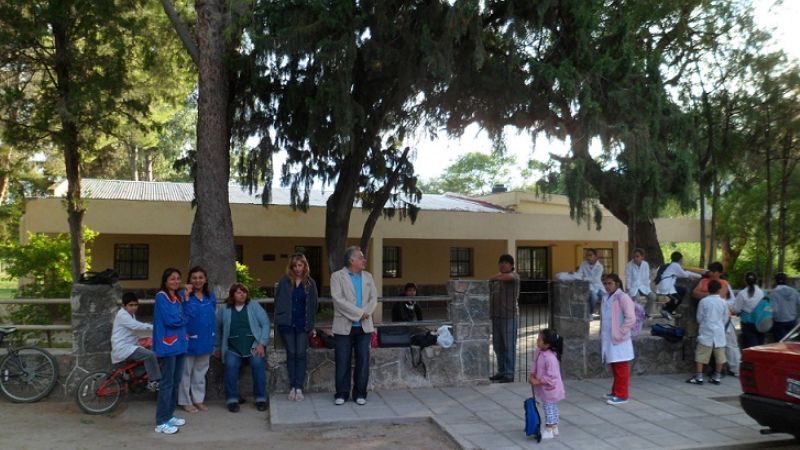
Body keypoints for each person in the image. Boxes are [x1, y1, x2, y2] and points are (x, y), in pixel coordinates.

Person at [331, 246, 378, 405]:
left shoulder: (368, 277)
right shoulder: (337, 276)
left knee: (363, 361)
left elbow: (374, 298)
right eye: (361, 257)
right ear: (352, 260)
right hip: (344, 326)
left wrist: (366, 313)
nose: (364, 260)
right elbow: (338, 301)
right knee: (342, 360)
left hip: (364, 326)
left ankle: (360, 393)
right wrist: (359, 313)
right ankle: (342, 393)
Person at [215, 283, 270, 413]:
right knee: (230, 365)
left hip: (253, 346)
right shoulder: (224, 310)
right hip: (232, 347)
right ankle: (232, 400)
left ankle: (260, 398)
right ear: (232, 295)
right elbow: (217, 329)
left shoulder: (254, 306)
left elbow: (265, 323)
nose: (242, 294)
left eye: (244, 292)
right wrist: (217, 346)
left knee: (257, 364)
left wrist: (261, 344)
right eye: (239, 292)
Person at [275, 253, 319, 402]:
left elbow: (314, 305)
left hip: (303, 324)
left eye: (300, 265)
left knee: (301, 354)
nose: (297, 268)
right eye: (295, 266)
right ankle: (292, 387)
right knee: (291, 353)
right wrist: (280, 318)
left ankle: (299, 387)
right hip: (287, 323)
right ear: (291, 267)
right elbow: (278, 301)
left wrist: (312, 325)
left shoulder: (310, 283)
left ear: (305, 266)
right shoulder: (284, 281)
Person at [153, 268, 188, 435]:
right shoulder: (161, 297)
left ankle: (169, 414)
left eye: (178, 278)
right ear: (165, 281)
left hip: (179, 344)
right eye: (172, 279)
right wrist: (185, 319)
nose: (175, 281)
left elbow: (180, 316)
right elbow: (171, 320)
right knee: (167, 383)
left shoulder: (178, 297)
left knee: (176, 381)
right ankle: (161, 421)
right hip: (168, 345)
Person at [178, 266, 216, 413]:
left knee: (201, 371)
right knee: (185, 372)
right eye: (194, 278)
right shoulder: (183, 295)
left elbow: (212, 315)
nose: (198, 280)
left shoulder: (210, 296)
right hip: (189, 339)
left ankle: (198, 400)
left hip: (206, 339)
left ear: (205, 279)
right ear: (189, 280)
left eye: (201, 277)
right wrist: (187, 297)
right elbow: (183, 314)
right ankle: (184, 401)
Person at [692, 262, 739, 376]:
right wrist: (710, 294)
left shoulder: (724, 283)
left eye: (714, 271)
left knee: (721, 347)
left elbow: (721, 296)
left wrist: (705, 294)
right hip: (707, 322)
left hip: (720, 322)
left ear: (720, 273)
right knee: (706, 347)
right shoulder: (703, 281)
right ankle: (712, 371)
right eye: (710, 271)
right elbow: (695, 293)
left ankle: (724, 370)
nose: (712, 274)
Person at [111, 292, 161, 392]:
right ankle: (153, 381)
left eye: (135, 305)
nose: (134, 307)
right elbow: (136, 326)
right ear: (124, 306)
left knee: (154, 349)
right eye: (131, 305)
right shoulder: (122, 315)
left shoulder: (130, 314)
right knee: (150, 355)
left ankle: (133, 373)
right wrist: (156, 328)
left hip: (130, 345)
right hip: (123, 347)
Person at [600, 274, 635, 405]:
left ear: (617, 284)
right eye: (605, 284)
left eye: (610, 283)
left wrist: (621, 332)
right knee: (615, 365)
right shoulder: (606, 297)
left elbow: (631, 318)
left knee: (621, 366)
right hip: (609, 337)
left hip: (619, 338)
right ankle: (615, 391)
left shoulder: (623, 298)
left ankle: (622, 395)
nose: (607, 286)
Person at [687, 280, 727, 385]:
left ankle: (699, 376)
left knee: (701, 354)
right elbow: (725, 318)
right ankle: (717, 376)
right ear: (719, 290)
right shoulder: (723, 302)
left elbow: (699, 317)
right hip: (719, 332)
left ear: (708, 289)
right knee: (720, 355)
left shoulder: (704, 301)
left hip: (706, 330)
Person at [489, 253, 521, 383]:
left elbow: (504, 277)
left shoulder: (513, 276)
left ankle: (509, 374)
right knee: (497, 346)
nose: (502, 265)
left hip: (509, 316)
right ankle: (501, 371)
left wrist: (492, 277)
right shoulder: (498, 280)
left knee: (509, 346)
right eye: (500, 262)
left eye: (505, 262)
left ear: (511, 265)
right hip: (496, 316)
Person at [528, 328, 565, 440]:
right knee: (551, 406)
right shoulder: (539, 351)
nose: (537, 340)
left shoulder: (550, 358)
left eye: (539, 339)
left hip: (551, 388)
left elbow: (551, 377)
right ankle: (554, 427)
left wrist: (538, 381)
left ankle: (549, 429)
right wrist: (532, 374)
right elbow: (534, 363)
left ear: (547, 344)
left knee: (548, 407)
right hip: (546, 388)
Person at [656, 251, 702, 320]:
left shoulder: (672, 265)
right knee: (678, 299)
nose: (682, 261)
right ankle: (666, 310)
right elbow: (684, 274)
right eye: (682, 259)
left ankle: (667, 308)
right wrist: (698, 276)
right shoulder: (675, 265)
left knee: (682, 290)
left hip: (668, 286)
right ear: (680, 259)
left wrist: (698, 276)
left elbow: (684, 273)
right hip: (666, 287)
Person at [731, 272, 766, 349]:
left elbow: (736, 310)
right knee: (761, 346)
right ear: (756, 280)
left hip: (748, 324)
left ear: (745, 281)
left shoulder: (742, 293)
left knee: (751, 347)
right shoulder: (762, 292)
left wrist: (730, 308)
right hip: (761, 322)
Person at [625, 248, 657, 316]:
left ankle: (646, 312)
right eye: (634, 257)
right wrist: (628, 288)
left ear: (642, 257)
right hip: (634, 287)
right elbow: (628, 277)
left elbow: (646, 277)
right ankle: (637, 314)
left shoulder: (645, 264)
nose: (635, 258)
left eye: (637, 256)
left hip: (643, 286)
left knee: (653, 297)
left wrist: (648, 288)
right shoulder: (629, 265)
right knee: (637, 299)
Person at [770, 272, 800, 341]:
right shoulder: (794, 291)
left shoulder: (774, 293)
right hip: (792, 320)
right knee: (792, 344)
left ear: (776, 280)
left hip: (779, 322)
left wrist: (773, 319)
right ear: (786, 280)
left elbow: (774, 310)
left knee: (781, 344)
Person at [577, 249, 604, 316]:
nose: (588, 257)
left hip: (598, 286)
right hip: (588, 286)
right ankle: (590, 313)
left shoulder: (599, 266)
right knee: (594, 297)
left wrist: (584, 278)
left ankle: (604, 313)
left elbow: (596, 279)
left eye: (590, 255)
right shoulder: (583, 264)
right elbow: (579, 274)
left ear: (595, 257)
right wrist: (582, 277)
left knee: (606, 297)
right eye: (587, 255)